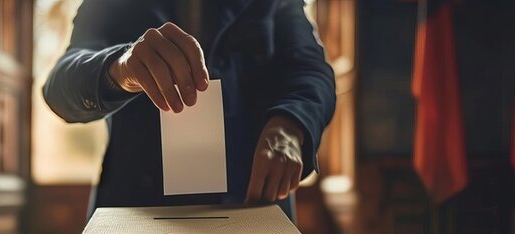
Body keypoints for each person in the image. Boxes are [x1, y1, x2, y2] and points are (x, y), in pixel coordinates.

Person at [43, 0, 335, 219]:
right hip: (137, 221)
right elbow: (59, 86)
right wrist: (121, 68)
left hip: (252, 213)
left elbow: (311, 70)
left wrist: (291, 125)